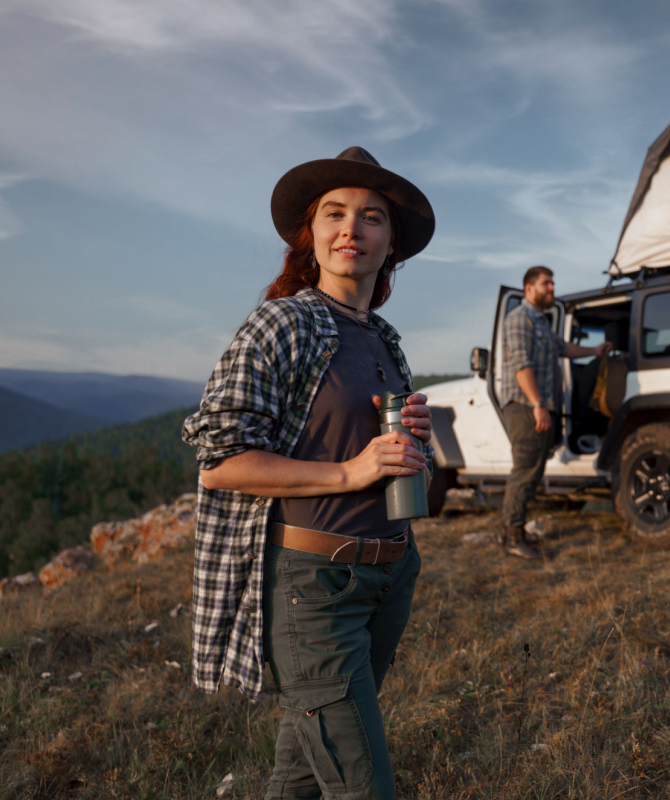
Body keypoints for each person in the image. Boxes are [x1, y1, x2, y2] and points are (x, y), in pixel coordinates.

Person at [181, 146, 435, 800]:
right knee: (363, 786)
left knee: (301, 773)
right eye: (336, 213)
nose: (353, 228)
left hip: (389, 573)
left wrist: (406, 451)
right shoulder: (284, 323)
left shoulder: (383, 337)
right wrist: (351, 472)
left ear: (391, 244)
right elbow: (220, 465)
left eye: (372, 217)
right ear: (312, 235)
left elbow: (365, 446)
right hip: (314, 587)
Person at [499, 266, 611, 558]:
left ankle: (514, 533)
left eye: (552, 283)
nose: (552, 288)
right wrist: (537, 404)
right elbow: (522, 367)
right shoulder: (520, 319)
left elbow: (564, 348)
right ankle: (512, 538)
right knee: (524, 473)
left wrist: (595, 351)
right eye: (546, 284)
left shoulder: (541, 322)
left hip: (537, 407)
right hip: (525, 408)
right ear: (528, 289)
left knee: (532, 473)